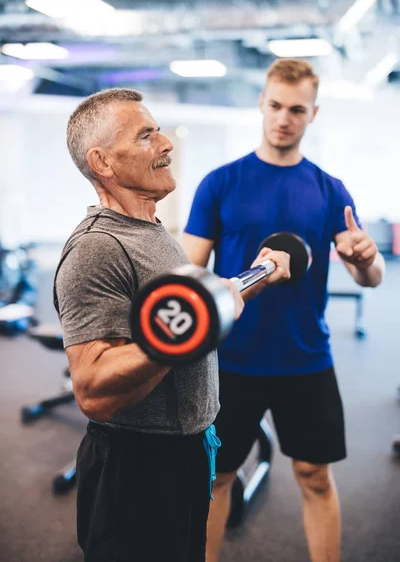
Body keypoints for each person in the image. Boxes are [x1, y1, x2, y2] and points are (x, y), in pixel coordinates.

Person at [53, 88, 291, 562]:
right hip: (137, 466)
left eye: (158, 129)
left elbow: (183, 312)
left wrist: (253, 279)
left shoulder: (150, 229)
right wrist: (195, 325)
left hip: (186, 450)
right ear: (102, 162)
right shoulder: (97, 249)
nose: (166, 143)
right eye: (146, 135)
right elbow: (94, 388)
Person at [183, 59, 385, 562]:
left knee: (315, 477)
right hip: (230, 361)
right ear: (261, 104)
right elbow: (189, 276)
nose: (283, 118)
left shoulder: (328, 188)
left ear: (312, 114)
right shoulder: (220, 183)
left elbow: (369, 276)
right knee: (219, 477)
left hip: (305, 359)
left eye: (297, 109)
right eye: (275, 105)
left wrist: (368, 259)